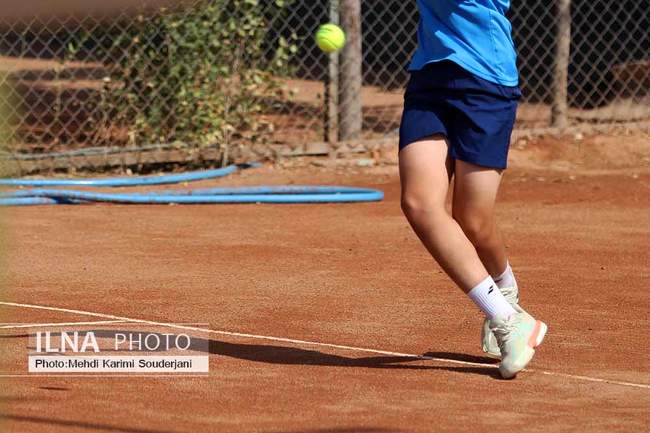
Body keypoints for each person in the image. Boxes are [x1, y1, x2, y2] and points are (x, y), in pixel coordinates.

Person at [399, 0, 547, 379]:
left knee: (473, 220)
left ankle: (506, 291)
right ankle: (506, 318)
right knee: (419, 203)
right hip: (429, 78)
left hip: (485, 80)